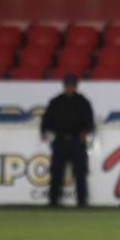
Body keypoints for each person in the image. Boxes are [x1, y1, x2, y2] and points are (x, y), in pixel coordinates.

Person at [41, 73, 95, 207]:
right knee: (56, 172)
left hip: (77, 141)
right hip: (59, 140)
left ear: (75, 86)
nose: (69, 88)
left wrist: (86, 131)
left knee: (80, 173)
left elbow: (90, 121)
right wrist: (44, 131)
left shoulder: (83, 101)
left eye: (71, 85)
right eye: (67, 85)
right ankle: (53, 201)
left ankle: (82, 202)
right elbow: (46, 120)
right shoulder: (55, 101)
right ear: (64, 86)